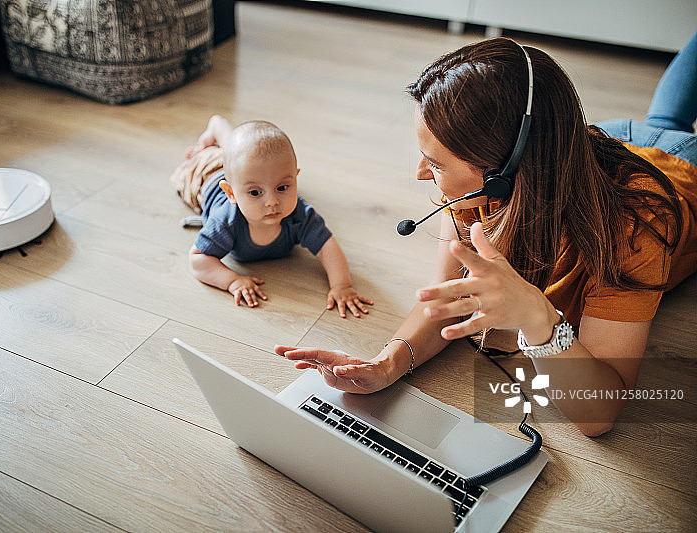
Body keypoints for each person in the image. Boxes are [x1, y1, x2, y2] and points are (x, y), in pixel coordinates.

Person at [276, 34, 697, 437]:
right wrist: (386, 364)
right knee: (661, 117)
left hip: (681, 171)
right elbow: (448, 299)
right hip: (594, 140)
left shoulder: (633, 226)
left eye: (435, 163)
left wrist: (538, 318)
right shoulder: (490, 184)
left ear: (502, 171)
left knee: (668, 125)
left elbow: (598, 415)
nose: (420, 175)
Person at [171, 115, 373, 317]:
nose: (272, 202)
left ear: (295, 178)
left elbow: (327, 247)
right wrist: (232, 280)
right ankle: (214, 131)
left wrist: (342, 286)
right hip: (206, 176)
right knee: (192, 168)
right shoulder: (225, 221)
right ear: (231, 194)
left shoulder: (300, 214)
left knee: (242, 151)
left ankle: (223, 136)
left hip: (244, 169)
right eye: (255, 193)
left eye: (283, 187)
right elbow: (198, 259)